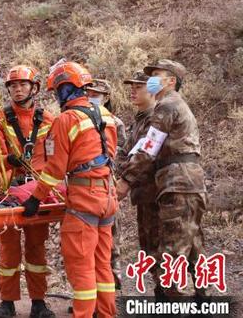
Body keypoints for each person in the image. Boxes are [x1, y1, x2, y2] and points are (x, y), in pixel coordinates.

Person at [23, 61, 118, 318]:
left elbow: (55, 168)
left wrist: (35, 198)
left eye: (58, 91)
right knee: (102, 265)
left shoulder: (66, 120)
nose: (57, 96)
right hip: (107, 195)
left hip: (84, 199)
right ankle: (106, 314)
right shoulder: (105, 115)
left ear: (66, 88)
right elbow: (110, 154)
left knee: (81, 266)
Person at [116, 60, 207, 299]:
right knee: (193, 241)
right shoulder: (176, 105)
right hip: (188, 181)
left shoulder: (166, 105)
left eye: (157, 75)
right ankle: (202, 298)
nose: (152, 80)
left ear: (171, 81)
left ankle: (174, 301)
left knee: (172, 248)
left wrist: (125, 180)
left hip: (177, 181)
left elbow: (149, 147)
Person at [0, 65, 56, 318]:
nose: (17, 89)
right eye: (13, 86)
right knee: (8, 248)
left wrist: (48, 190)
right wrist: (7, 160)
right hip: (9, 190)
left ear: (33, 88)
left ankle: (39, 302)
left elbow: (55, 160)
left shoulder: (49, 119)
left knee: (37, 248)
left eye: (22, 85)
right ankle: (7, 302)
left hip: (37, 192)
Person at [117, 71, 159, 293]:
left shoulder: (156, 118)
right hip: (144, 195)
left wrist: (124, 180)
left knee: (164, 250)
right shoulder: (139, 120)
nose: (132, 91)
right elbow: (125, 154)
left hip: (159, 194)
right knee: (151, 249)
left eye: (138, 87)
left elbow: (146, 154)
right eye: (130, 87)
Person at [86, 79, 126, 291]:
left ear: (106, 98)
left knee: (110, 239)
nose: (91, 97)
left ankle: (112, 283)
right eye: (88, 93)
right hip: (86, 189)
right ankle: (89, 292)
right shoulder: (81, 118)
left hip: (107, 186)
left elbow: (121, 156)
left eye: (96, 94)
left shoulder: (114, 123)